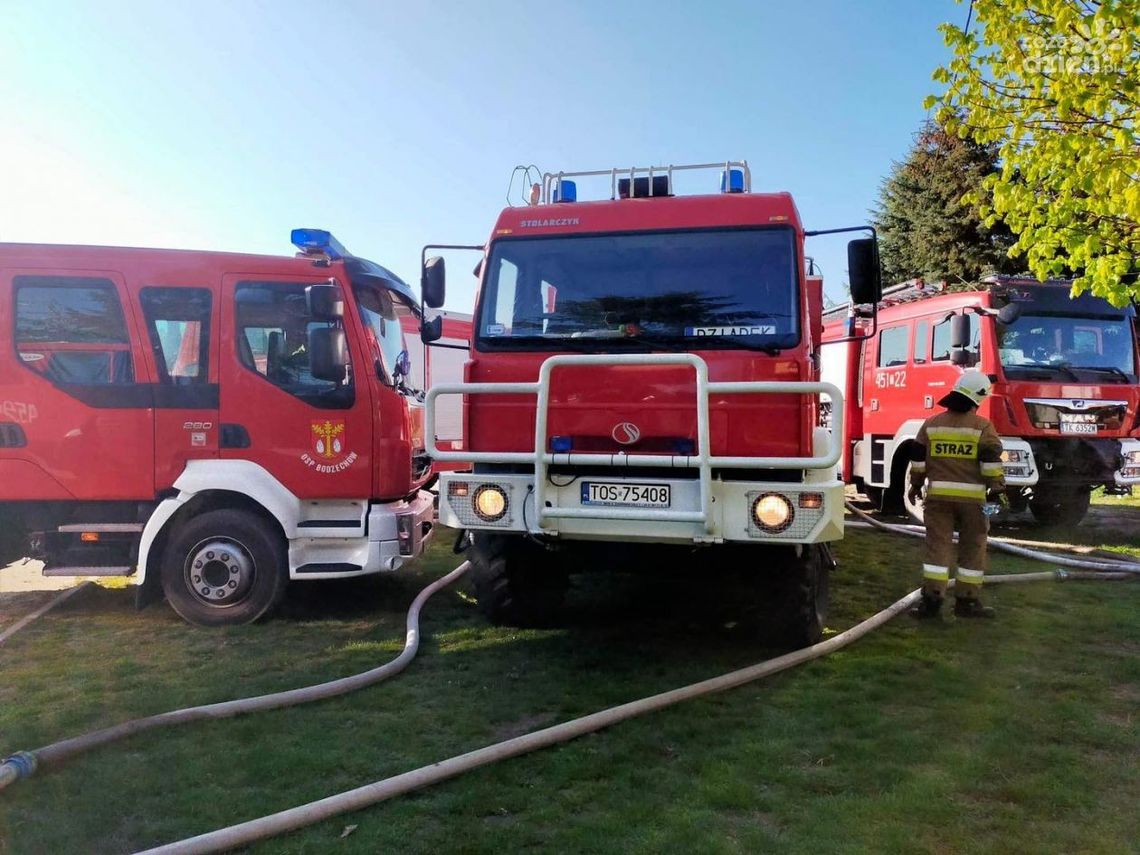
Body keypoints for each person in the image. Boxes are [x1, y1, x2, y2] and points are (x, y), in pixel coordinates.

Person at [907, 370, 1006, 619]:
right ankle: (967, 602)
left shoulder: (931, 424)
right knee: (973, 547)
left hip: (938, 500)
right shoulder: (983, 427)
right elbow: (990, 463)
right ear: (979, 397)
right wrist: (997, 489)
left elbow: (918, 461)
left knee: (937, 548)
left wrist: (915, 485)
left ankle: (932, 602)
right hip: (974, 502)